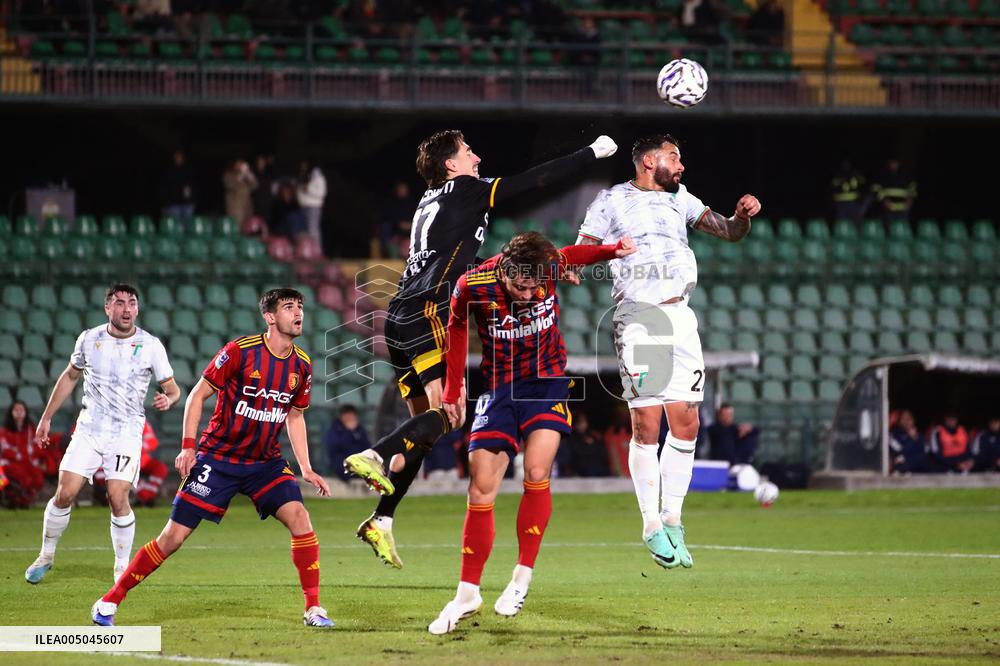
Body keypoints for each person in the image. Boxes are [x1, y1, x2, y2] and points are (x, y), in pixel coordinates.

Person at [343, 130, 619, 569]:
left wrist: (549, 266)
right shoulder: (468, 190)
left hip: (399, 315)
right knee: (449, 415)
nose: (477, 156)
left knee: (427, 428)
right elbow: (534, 180)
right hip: (428, 310)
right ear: (451, 165)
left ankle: (383, 518)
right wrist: (590, 153)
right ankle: (373, 454)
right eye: (468, 152)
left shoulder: (430, 200)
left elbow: (462, 260)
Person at [427, 230, 636, 634]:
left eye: (533, 287)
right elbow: (453, 330)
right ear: (504, 268)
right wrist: (453, 387)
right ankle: (467, 591)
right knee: (480, 485)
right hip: (498, 387)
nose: (526, 294)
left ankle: (521, 576)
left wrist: (612, 249)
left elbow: (574, 254)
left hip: (547, 380)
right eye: (519, 286)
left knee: (536, 473)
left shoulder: (547, 267)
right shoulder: (473, 285)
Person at [90, 288, 334, 628]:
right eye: (289, 307)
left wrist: (306, 467)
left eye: (300, 307)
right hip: (218, 459)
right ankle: (109, 601)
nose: (298, 313)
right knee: (172, 538)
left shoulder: (302, 365)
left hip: (265, 463)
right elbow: (197, 395)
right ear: (270, 316)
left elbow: (295, 416)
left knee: (301, 519)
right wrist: (189, 446)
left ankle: (314, 609)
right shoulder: (240, 351)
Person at [577, 134, 761, 570]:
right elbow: (582, 249)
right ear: (647, 161)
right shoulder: (611, 200)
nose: (681, 165)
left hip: (681, 314)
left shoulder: (681, 198)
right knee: (647, 422)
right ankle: (649, 524)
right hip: (641, 315)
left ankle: (673, 518)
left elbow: (730, 232)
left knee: (688, 421)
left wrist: (741, 216)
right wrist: (595, 257)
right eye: (674, 157)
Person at [25, 284, 180, 584]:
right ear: (107, 307)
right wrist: (46, 417)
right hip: (90, 428)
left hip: (126, 431)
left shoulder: (150, 345)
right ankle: (46, 555)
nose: (126, 309)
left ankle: (122, 567)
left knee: (117, 496)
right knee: (65, 493)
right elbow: (71, 375)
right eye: (119, 303)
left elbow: (173, 390)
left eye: (132, 303)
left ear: (137, 308)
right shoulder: (89, 338)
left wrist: (168, 399)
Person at [0, 400, 62, 508]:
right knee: (19, 475)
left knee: (36, 476)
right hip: (10, 464)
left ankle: (23, 500)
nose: (19, 412)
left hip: (28, 462)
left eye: (21, 410)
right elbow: (6, 451)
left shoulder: (31, 430)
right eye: (16, 410)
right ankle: (11, 499)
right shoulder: (4, 432)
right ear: (11, 412)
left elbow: (36, 448)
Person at [324, 405, 372, 481]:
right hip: (342, 464)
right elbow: (335, 446)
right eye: (347, 416)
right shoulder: (335, 429)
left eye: (352, 416)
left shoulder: (360, 430)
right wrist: (349, 432)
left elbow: (366, 446)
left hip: (359, 463)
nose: (350, 418)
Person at [872, 158, 917, 227]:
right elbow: (876, 189)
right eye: (891, 163)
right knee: (888, 226)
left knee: (903, 227)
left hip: (903, 207)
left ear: (899, 164)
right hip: (889, 207)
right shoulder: (883, 175)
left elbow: (912, 187)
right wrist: (883, 199)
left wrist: (910, 198)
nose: (893, 165)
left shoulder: (906, 175)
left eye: (895, 163)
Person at [564, 411, 610, 477]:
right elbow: (577, 452)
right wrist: (589, 446)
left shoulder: (592, 434)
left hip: (597, 467)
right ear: (576, 423)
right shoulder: (571, 436)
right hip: (581, 468)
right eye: (581, 421)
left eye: (585, 421)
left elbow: (601, 451)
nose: (584, 424)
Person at [378, 180, 416, 259]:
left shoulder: (412, 204)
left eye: (403, 189)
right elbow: (387, 221)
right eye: (400, 189)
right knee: (394, 247)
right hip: (394, 235)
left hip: (409, 235)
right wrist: (399, 224)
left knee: (408, 247)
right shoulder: (391, 204)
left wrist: (410, 225)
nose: (402, 191)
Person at [159, 149, 197, 223]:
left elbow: (194, 187)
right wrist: (163, 204)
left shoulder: (189, 171)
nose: (178, 158)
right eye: (176, 156)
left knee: (187, 226)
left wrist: (194, 201)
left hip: (187, 204)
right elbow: (163, 189)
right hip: (173, 204)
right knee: (175, 225)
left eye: (180, 156)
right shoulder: (168, 171)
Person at [297, 161, 327, 249]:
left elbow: (322, 193)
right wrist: (300, 201)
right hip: (303, 206)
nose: (303, 168)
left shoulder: (318, 177)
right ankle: (306, 251)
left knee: (313, 230)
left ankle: (317, 251)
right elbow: (300, 191)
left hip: (313, 206)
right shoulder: (303, 177)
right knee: (303, 231)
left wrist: (308, 189)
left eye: (305, 166)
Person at [830, 159, 868, 229]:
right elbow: (833, 187)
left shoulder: (855, 174)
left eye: (848, 164)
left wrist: (856, 176)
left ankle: (858, 236)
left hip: (854, 203)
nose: (846, 166)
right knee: (842, 223)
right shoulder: (837, 174)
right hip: (841, 204)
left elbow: (863, 185)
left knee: (857, 222)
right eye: (844, 164)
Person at [888, 409, 929, 474]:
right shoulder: (894, 435)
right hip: (902, 469)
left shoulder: (920, 436)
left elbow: (924, 453)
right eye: (903, 418)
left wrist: (916, 439)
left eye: (909, 418)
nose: (906, 421)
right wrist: (911, 440)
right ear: (899, 421)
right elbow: (900, 451)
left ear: (913, 420)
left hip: (919, 469)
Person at [223, 159, 259, 226]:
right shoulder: (228, 175)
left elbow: (255, 185)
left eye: (241, 164)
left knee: (248, 224)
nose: (240, 166)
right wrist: (242, 175)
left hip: (246, 204)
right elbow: (231, 185)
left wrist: (249, 175)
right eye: (238, 164)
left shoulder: (247, 175)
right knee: (237, 224)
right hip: (235, 205)